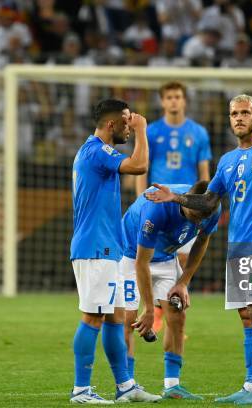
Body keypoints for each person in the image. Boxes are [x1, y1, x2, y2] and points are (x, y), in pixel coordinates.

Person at [146, 94, 252, 405]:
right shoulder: (228, 161)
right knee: (245, 315)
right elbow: (208, 202)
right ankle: (250, 384)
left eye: (245, 112)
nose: (239, 118)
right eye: (234, 113)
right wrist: (174, 198)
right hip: (237, 247)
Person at [69, 99, 160, 404]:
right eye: (125, 121)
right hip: (95, 247)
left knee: (115, 317)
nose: (129, 125)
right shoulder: (97, 151)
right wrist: (143, 131)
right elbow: (139, 165)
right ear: (111, 125)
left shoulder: (95, 152)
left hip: (107, 246)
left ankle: (125, 386)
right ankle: (81, 390)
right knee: (93, 316)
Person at [122, 181, 221, 400]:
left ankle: (172, 386)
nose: (197, 221)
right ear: (183, 199)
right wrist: (149, 309)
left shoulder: (211, 207)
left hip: (166, 258)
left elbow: (202, 241)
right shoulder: (156, 208)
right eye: (193, 216)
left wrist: (183, 282)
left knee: (178, 315)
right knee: (128, 318)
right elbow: (141, 263)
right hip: (130, 254)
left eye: (201, 218)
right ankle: (127, 385)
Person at [136, 81, 212, 331]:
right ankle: (157, 311)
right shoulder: (153, 132)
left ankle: (165, 314)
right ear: (162, 101)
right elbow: (142, 169)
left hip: (187, 207)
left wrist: (206, 201)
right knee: (149, 256)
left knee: (181, 258)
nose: (173, 101)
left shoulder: (199, 133)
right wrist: (141, 199)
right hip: (158, 204)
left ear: (184, 100)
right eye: (169, 97)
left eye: (178, 96)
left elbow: (203, 173)